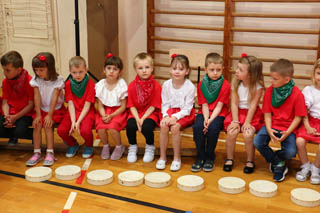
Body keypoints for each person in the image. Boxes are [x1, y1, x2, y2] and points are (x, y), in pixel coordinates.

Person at [254, 59, 307, 182]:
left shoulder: (297, 94)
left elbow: (298, 117)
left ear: (287, 80)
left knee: (290, 152)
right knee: (257, 142)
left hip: (289, 128)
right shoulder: (270, 91)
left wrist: (287, 133)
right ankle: (279, 163)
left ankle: (276, 159)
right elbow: (267, 114)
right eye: (271, 78)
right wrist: (269, 129)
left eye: (275, 79)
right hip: (272, 125)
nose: (271, 81)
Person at [223, 53, 264, 174]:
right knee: (231, 132)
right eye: (237, 68)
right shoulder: (236, 84)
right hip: (237, 113)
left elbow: (253, 105)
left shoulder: (258, 86)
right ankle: (229, 158)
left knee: (247, 134)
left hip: (251, 115)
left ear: (250, 74)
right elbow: (234, 104)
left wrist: (247, 122)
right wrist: (235, 121)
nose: (236, 71)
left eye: (240, 70)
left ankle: (250, 160)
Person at [192, 53, 230, 172]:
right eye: (212, 70)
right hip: (205, 112)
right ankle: (200, 156)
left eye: (218, 70)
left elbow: (219, 107)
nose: (215, 73)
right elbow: (204, 105)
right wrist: (205, 119)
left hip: (218, 114)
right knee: (198, 127)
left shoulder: (226, 85)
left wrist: (209, 120)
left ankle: (209, 157)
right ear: (205, 69)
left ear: (222, 69)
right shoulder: (201, 84)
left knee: (213, 129)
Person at [156, 54, 195, 171]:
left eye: (181, 69)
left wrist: (175, 117)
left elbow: (187, 108)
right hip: (169, 111)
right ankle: (162, 157)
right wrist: (166, 115)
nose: (177, 72)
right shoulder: (167, 85)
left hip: (184, 113)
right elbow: (165, 104)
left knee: (174, 128)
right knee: (163, 126)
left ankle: (177, 158)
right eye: (174, 69)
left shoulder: (190, 86)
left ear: (187, 71)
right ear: (170, 70)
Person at [26, 52, 66, 166]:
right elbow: (36, 97)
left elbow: (54, 98)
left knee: (48, 125)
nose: (38, 73)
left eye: (41, 70)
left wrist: (49, 115)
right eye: (36, 70)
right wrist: (38, 114)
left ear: (50, 68)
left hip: (55, 110)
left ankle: (50, 153)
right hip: (41, 109)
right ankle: (37, 153)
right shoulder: (36, 79)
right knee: (37, 124)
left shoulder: (58, 80)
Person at [126, 52, 161, 163]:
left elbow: (154, 105)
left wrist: (143, 119)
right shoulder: (131, 85)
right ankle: (132, 146)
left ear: (152, 69)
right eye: (140, 68)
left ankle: (150, 146)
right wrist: (137, 119)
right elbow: (131, 105)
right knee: (130, 126)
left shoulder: (157, 85)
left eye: (147, 67)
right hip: (136, 113)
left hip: (151, 113)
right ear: (135, 70)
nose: (144, 70)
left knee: (146, 127)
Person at [57, 56, 95, 158]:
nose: (77, 75)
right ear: (70, 71)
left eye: (80, 72)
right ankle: (73, 144)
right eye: (74, 72)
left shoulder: (90, 84)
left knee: (85, 131)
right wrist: (73, 122)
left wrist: (78, 122)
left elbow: (87, 105)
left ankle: (89, 145)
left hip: (86, 112)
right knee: (61, 130)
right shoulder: (68, 84)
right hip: (72, 111)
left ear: (86, 70)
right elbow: (70, 103)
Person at [96, 53, 128, 160]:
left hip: (118, 111)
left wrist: (111, 115)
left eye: (115, 69)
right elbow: (100, 105)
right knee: (101, 128)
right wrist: (104, 115)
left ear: (120, 72)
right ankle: (106, 146)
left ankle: (119, 146)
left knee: (113, 128)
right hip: (104, 111)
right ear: (104, 70)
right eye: (109, 68)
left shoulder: (121, 84)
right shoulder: (100, 85)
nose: (111, 71)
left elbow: (123, 106)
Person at [0, 51, 34, 145]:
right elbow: (5, 102)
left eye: (7, 70)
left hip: (25, 113)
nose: (4, 73)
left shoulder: (30, 81)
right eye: (3, 70)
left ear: (19, 70)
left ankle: (33, 135)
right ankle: (13, 135)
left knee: (20, 131)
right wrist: (7, 116)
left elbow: (31, 105)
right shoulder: (5, 82)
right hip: (10, 113)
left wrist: (15, 117)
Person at [295, 58, 320, 184]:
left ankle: (316, 167)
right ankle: (305, 165)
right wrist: (308, 126)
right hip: (309, 121)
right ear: (314, 73)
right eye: (319, 73)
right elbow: (303, 111)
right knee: (299, 141)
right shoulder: (308, 90)